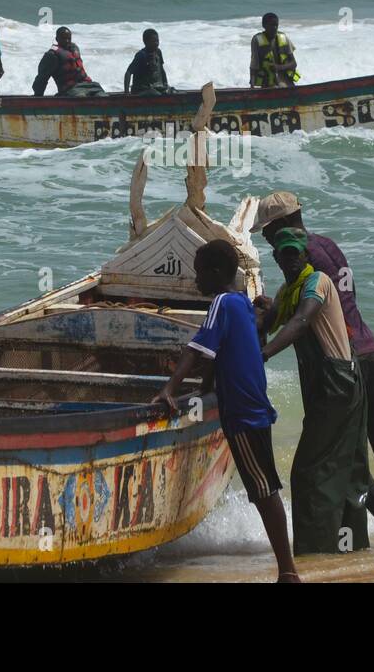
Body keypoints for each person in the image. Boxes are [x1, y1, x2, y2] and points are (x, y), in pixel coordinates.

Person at [252, 191, 374, 542]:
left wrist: (264, 344)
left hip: (345, 364)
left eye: (268, 231)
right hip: (370, 350)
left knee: (335, 455)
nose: (269, 242)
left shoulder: (299, 255)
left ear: (283, 224)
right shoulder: (327, 246)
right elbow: (339, 301)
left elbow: (308, 313)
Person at [152, 240, 299, 582]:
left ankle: (288, 571)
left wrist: (169, 389)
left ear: (216, 273)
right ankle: (287, 568)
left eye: (199, 273)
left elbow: (197, 348)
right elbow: (220, 352)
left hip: (243, 414)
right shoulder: (241, 304)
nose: (196, 281)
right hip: (254, 407)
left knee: (264, 490)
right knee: (265, 486)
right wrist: (204, 389)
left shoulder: (220, 302)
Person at [257, 227, 370, 556]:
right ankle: (351, 549)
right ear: (277, 258)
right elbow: (269, 323)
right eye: (284, 253)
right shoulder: (286, 290)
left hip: (338, 382)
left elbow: (301, 321)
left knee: (308, 471)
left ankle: (314, 552)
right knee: (348, 467)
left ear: (305, 255)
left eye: (296, 252)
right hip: (327, 384)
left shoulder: (317, 281)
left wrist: (262, 355)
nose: (290, 259)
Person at [33, 26, 105, 96]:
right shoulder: (51, 55)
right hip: (70, 89)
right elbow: (42, 78)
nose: (67, 41)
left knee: (103, 96)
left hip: (89, 85)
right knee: (81, 97)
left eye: (69, 38)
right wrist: (38, 96)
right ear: (57, 39)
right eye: (63, 38)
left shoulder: (74, 49)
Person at [250, 13, 299, 88]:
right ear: (264, 25)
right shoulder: (257, 40)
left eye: (276, 25)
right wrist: (252, 87)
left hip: (284, 79)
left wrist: (279, 67)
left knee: (282, 86)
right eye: (272, 25)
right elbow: (254, 66)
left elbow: (293, 63)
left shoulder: (284, 38)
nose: (275, 28)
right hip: (267, 81)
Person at [123, 28, 175, 95]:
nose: (156, 43)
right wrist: (126, 93)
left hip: (155, 87)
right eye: (153, 41)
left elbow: (161, 69)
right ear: (145, 42)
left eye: (157, 41)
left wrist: (165, 84)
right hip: (140, 90)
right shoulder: (141, 55)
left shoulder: (158, 52)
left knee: (172, 91)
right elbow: (128, 73)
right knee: (155, 93)